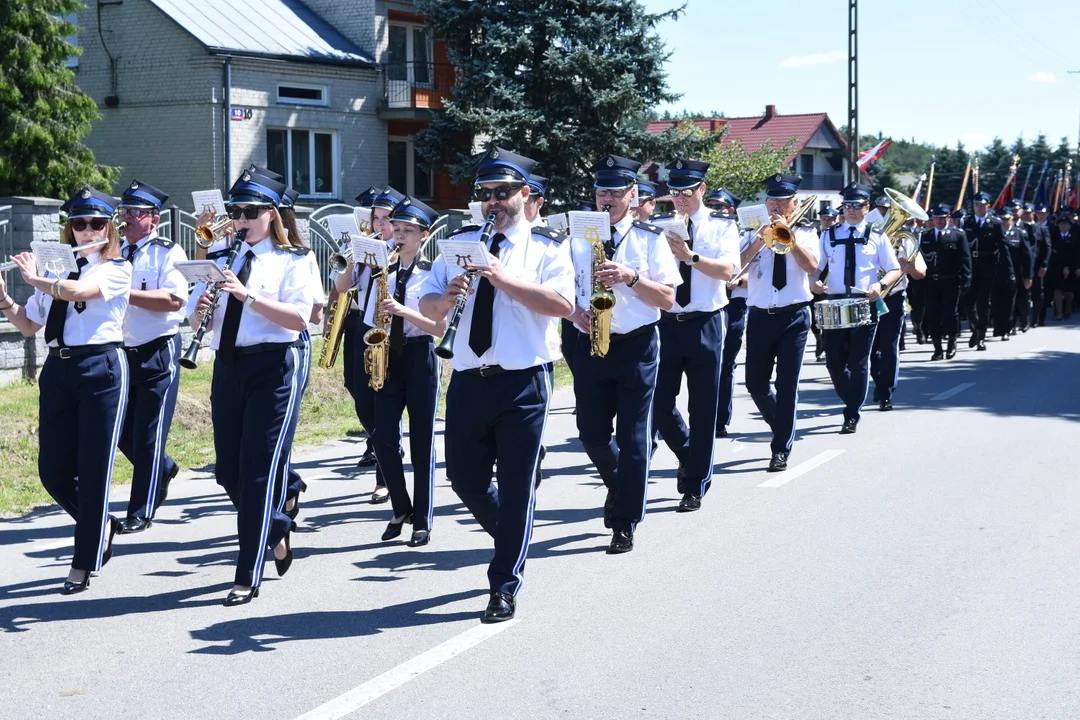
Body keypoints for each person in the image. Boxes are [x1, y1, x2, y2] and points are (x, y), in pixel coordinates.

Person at [418, 147, 573, 622]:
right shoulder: (458, 242)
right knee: (463, 478)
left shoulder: (547, 246)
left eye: (502, 193)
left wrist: (502, 278)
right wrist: (445, 299)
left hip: (523, 381)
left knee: (516, 484)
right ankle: (515, 531)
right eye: (485, 194)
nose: (492, 202)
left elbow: (562, 304)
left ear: (525, 195)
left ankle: (502, 584)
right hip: (467, 378)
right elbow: (426, 309)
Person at [186, 171, 315, 605]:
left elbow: (301, 319)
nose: (240, 219)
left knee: (258, 471)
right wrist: (202, 304)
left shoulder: (294, 257)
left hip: (274, 365)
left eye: (250, 212)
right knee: (228, 471)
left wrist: (246, 296)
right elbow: (190, 316)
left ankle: (247, 573)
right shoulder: (220, 255)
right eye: (235, 212)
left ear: (271, 214)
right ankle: (276, 528)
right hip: (228, 364)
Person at [0, 187, 132, 593]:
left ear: (108, 228)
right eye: (79, 223)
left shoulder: (116, 267)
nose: (87, 230)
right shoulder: (58, 269)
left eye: (95, 223)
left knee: (94, 470)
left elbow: (78, 293)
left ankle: (82, 563)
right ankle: (101, 524)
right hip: (57, 372)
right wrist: (5, 299)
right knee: (52, 471)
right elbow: (28, 325)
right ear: (69, 228)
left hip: (101, 369)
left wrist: (37, 278)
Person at [567, 154, 678, 548]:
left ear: (633, 195)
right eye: (602, 190)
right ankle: (621, 486)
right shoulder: (578, 237)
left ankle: (624, 521)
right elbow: (564, 286)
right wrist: (572, 310)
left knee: (633, 440)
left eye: (616, 191)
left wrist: (630, 277)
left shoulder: (651, 238)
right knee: (591, 434)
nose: (607, 198)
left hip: (637, 345)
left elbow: (667, 298)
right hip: (591, 343)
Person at [651, 159, 738, 511]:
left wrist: (690, 257)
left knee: (703, 408)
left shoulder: (721, 226)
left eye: (686, 192)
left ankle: (695, 484)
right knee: (658, 404)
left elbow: (729, 271)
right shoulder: (658, 226)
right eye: (674, 192)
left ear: (702, 189)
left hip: (706, 321)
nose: (680, 199)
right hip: (668, 322)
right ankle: (688, 452)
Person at [367, 197, 447, 547]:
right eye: (396, 229)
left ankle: (423, 518)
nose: (398, 236)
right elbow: (372, 316)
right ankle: (400, 508)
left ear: (423, 235)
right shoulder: (383, 269)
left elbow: (438, 325)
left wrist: (401, 310)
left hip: (421, 355)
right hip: (388, 356)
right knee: (382, 438)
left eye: (407, 231)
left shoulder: (433, 272)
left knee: (422, 441)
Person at [113, 180, 187, 534]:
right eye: (124, 210)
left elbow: (174, 301)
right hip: (120, 353)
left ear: (153, 219)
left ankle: (140, 509)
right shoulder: (112, 252)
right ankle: (164, 466)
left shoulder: (167, 252)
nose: (125, 218)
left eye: (134, 212)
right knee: (120, 432)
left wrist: (124, 294)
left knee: (147, 433)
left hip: (158, 349)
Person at [740, 173, 820, 471]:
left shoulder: (807, 231)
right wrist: (761, 238)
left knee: (787, 386)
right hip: (760, 316)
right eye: (772, 199)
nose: (776, 204)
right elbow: (738, 264)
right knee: (755, 385)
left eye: (782, 200)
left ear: (794, 203)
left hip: (794, 317)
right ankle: (782, 426)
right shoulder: (751, 230)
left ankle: (780, 448)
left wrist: (790, 236)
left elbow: (812, 266)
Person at [814, 182, 900, 434]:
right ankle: (851, 398)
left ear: (867, 207)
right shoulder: (828, 235)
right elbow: (817, 269)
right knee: (834, 363)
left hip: (865, 302)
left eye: (857, 206)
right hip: (835, 303)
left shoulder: (877, 235)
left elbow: (894, 268)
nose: (850, 210)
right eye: (847, 206)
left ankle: (851, 413)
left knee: (859, 361)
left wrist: (880, 285)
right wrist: (814, 282)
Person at [870, 218, 926, 410]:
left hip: (894, 297)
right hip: (871, 297)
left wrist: (909, 267)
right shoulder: (871, 236)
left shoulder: (906, 240)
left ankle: (886, 392)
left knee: (888, 347)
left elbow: (922, 272)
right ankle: (879, 381)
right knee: (870, 350)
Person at [920, 204, 971, 360]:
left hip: (951, 280)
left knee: (950, 314)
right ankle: (937, 349)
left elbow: (965, 258)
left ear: (948, 218)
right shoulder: (925, 236)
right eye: (936, 217)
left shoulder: (958, 235)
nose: (939, 221)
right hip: (931, 282)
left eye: (942, 218)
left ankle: (951, 342)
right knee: (933, 314)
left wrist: (966, 279)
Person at [716, 188, 748, 438]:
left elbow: (753, 267)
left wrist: (741, 279)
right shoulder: (707, 233)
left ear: (732, 211)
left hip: (735, 303)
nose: (717, 211)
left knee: (726, 363)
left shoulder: (747, 235)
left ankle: (720, 419)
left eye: (722, 207)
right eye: (713, 206)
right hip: (712, 303)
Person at [962, 193, 1006, 350]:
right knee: (967, 301)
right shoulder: (966, 222)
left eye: (982, 205)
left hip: (988, 266)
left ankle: (981, 336)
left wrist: (1009, 271)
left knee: (983, 304)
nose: (979, 208)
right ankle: (974, 325)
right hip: (970, 266)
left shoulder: (994, 223)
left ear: (988, 205)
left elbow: (1003, 247)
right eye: (976, 205)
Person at [989, 207, 1029, 340]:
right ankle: (997, 327)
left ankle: (1007, 329)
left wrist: (1028, 276)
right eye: (1002, 219)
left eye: (1006, 219)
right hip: (994, 273)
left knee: (1009, 303)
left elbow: (1027, 256)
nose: (1004, 222)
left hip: (1012, 273)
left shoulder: (1019, 233)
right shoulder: (992, 234)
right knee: (995, 302)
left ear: (1011, 219)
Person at [1029, 203, 1052, 327]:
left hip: (1040, 265)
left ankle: (1039, 318)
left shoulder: (1046, 229)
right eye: (1038, 213)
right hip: (1027, 265)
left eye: (1043, 213)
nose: (1040, 215)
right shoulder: (1026, 227)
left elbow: (1048, 247)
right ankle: (1024, 318)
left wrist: (1044, 264)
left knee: (1040, 292)